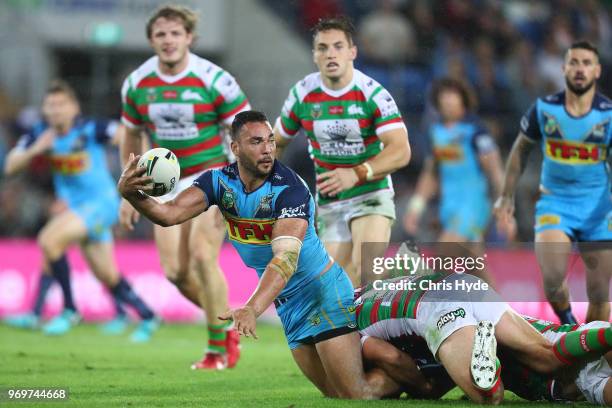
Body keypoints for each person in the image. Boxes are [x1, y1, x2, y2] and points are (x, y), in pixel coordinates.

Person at [118, 110, 398, 399]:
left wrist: (252, 308)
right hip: (288, 305)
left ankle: (421, 376)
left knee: (356, 393)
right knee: (333, 394)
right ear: (235, 148)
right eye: (256, 142)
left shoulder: (289, 189)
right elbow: (169, 213)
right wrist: (132, 195)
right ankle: (384, 356)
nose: (267, 149)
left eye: (271, 141)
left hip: (321, 292)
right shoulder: (217, 181)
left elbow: (286, 260)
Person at [119, 5, 250, 369]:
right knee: (176, 272)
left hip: (213, 176)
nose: (168, 40)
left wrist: (244, 177)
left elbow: (245, 127)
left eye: (175, 33)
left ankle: (216, 349)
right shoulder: (137, 83)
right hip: (164, 182)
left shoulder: (214, 79)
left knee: (201, 256)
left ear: (189, 37)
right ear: (151, 40)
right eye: (161, 34)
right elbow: (129, 132)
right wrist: (130, 190)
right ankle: (229, 326)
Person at [3, 80, 158, 342]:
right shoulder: (39, 134)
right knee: (106, 274)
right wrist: (38, 148)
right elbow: (10, 167)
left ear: (74, 107)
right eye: (50, 105)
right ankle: (147, 316)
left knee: (49, 240)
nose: (55, 110)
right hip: (77, 210)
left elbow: (130, 136)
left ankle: (69, 310)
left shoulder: (91, 128)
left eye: (61, 104)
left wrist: (136, 176)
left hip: (102, 203)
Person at [273, 16, 411, 287]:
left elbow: (401, 150)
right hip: (330, 202)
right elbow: (275, 144)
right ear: (314, 55)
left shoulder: (372, 94)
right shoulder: (303, 94)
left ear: (352, 52)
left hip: (370, 194)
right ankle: (401, 280)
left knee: (367, 267)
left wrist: (358, 173)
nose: (330, 54)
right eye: (323, 48)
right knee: (328, 286)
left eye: (338, 46)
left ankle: (405, 278)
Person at [355, 271, 612, 404]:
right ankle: (488, 349)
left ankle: (491, 356)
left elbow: (388, 356)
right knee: (546, 356)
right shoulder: (369, 290)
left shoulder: (347, 329)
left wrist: (423, 388)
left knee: (491, 396)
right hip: (462, 283)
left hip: (433, 307)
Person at [494, 40, 612, 324]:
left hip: (598, 209)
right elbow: (521, 148)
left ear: (597, 71)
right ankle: (571, 328)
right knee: (552, 278)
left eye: (586, 63)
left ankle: (588, 358)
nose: (580, 69)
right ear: (563, 69)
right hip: (555, 204)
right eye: (574, 62)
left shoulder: (608, 114)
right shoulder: (544, 109)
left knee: (598, 292)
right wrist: (507, 195)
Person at [403, 78, 512, 284]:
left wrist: (505, 206)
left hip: (473, 203)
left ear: (463, 100)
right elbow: (431, 174)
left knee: (444, 254)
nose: (448, 101)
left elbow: (495, 170)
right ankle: (500, 311)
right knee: (475, 267)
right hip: (449, 206)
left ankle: (429, 307)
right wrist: (416, 207)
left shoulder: (476, 131)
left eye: (453, 96)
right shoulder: (436, 133)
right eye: (444, 96)